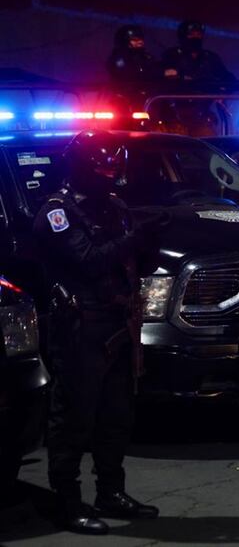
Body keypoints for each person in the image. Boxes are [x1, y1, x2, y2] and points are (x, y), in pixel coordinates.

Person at [34, 132, 163, 534]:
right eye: (101, 169)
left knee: (116, 416)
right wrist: (135, 239)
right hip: (79, 326)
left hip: (116, 323)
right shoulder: (58, 212)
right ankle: (67, 502)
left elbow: (135, 264)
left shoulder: (115, 207)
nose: (109, 178)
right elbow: (89, 261)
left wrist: (149, 244)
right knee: (73, 418)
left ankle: (111, 491)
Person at [161, 20, 235, 84]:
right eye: (191, 34)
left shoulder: (211, 57)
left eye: (198, 35)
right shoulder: (172, 55)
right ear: (183, 37)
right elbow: (160, 75)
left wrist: (222, 90)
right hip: (179, 98)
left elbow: (227, 78)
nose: (195, 38)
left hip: (206, 99)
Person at [106, 25, 158, 90]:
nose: (140, 42)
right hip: (124, 95)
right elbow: (128, 75)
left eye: (140, 39)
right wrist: (156, 74)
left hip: (147, 94)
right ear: (125, 41)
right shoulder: (118, 59)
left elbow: (154, 69)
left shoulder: (146, 56)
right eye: (135, 39)